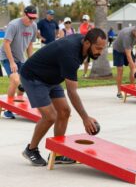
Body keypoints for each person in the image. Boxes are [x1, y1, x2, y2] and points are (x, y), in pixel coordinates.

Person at [20, 28, 107, 166]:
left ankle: (58, 153)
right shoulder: (70, 54)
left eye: (102, 49)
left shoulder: (83, 44)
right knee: (50, 116)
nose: (100, 52)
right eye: (97, 48)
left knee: (65, 112)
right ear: (87, 43)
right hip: (34, 77)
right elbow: (72, 92)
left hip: (52, 78)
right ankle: (31, 149)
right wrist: (85, 118)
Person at [0, 5, 37, 119]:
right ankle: (8, 110)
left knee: (24, 83)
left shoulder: (33, 26)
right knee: (16, 80)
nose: (31, 21)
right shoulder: (14, 25)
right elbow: (6, 44)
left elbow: (30, 45)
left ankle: (18, 108)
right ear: (24, 14)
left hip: (21, 58)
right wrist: (11, 62)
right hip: (7, 56)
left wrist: (30, 62)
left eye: (34, 18)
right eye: (30, 18)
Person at [113, 25, 136, 99]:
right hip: (118, 50)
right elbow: (128, 55)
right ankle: (119, 92)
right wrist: (134, 69)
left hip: (128, 49)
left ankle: (132, 89)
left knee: (134, 66)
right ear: (134, 31)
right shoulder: (127, 35)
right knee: (120, 69)